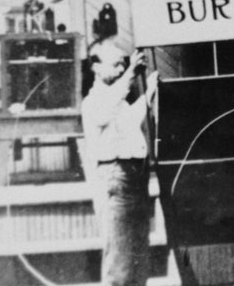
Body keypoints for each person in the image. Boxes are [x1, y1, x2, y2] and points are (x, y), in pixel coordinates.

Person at [82, 37, 158, 286]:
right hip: (117, 180)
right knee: (120, 259)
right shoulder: (93, 101)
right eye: (115, 64)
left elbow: (128, 121)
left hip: (136, 178)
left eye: (121, 65)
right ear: (95, 67)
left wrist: (148, 92)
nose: (120, 69)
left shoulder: (119, 100)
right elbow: (105, 110)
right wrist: (130, 76)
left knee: (138, 256)